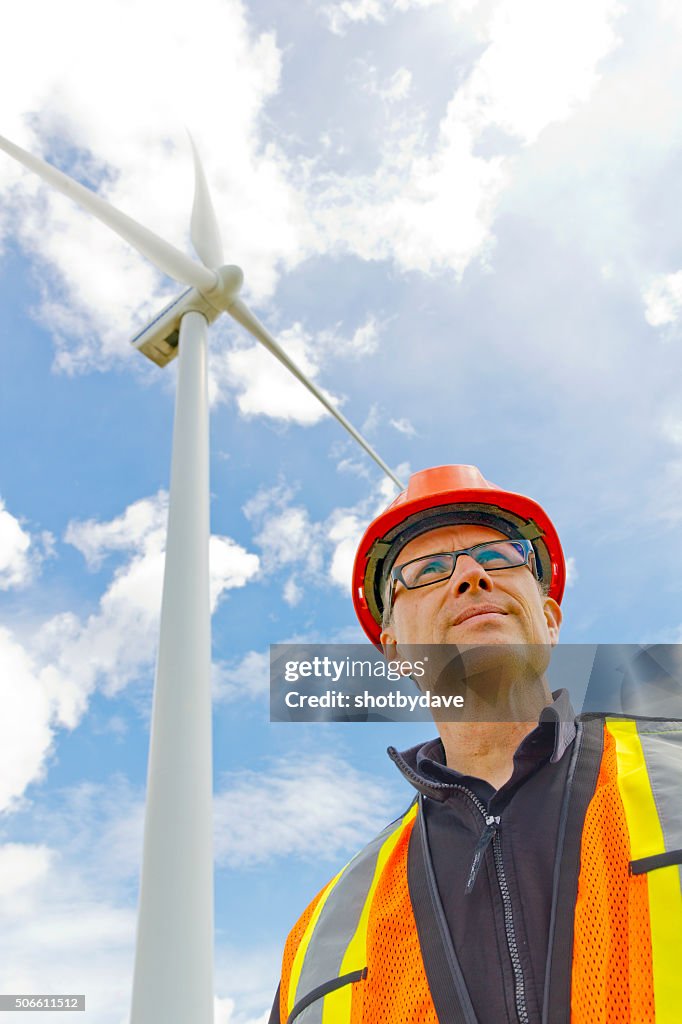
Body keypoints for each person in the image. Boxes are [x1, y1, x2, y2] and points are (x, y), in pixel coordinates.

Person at [269, 465, 682, 1024]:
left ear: (551, 619)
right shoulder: (322, 942)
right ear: (394, 651)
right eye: (428, 570)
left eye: (498, 558)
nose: (470, 576)